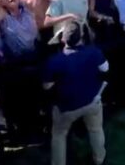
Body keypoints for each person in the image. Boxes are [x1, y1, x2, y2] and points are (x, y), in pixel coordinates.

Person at [43, 21, 108, 165]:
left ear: (62, 39)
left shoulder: (55, 61)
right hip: (92, 101)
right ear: (81, 37)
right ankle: (100, 159)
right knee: (96, 129)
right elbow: (105, 68)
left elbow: (47, 86)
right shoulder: (93, 51)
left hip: (67, 107)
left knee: (59, 135)